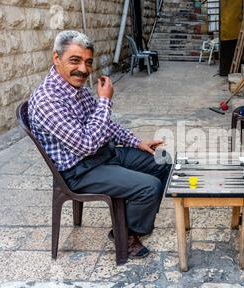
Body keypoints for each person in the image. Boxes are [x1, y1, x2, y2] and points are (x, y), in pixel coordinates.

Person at [28, 30, 171, 259]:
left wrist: (136, 142)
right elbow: (86, 144)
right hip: (79, 170)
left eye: (88, 62)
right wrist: (105, 100)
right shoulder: (48, 100)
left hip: (101, 154)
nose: (83, 69)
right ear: (56, 58)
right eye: (74, 60)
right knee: (149, 186)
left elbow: (102, 125)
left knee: (162, 161)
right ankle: (127, 233)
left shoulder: (76, 88)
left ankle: (128, 223)